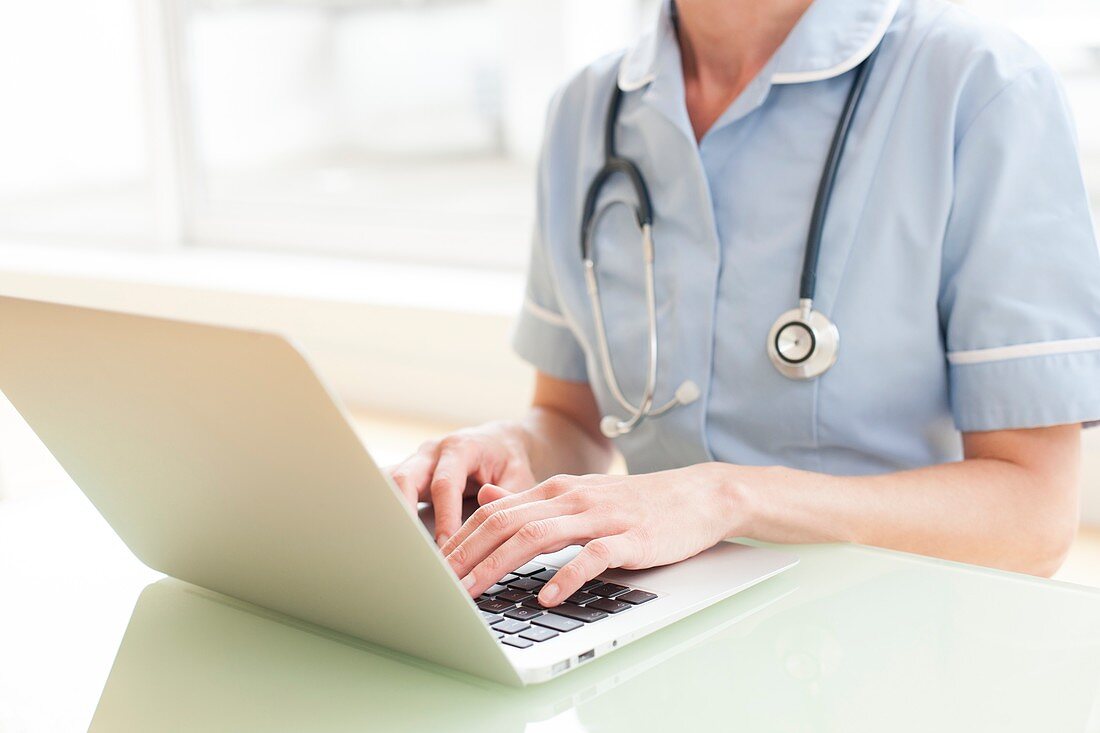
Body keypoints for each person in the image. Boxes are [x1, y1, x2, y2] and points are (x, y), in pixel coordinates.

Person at [388, 0, 1100, 609]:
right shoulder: (586, 110)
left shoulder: (979, 87)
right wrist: (514, 450)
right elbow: (573, 418)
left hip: (892, 636)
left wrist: (730, 495)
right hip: (651, 631)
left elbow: (1032, 517)